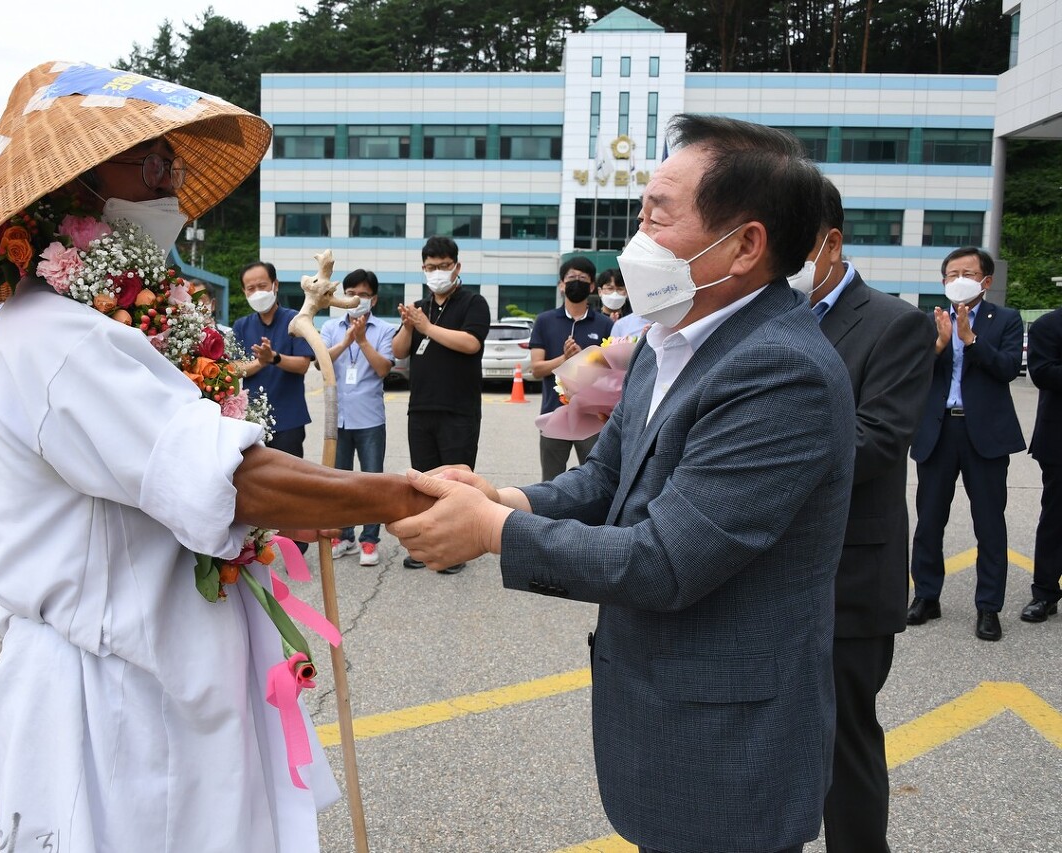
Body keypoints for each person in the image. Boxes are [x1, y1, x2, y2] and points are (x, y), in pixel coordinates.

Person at [0, 61, 429, 852]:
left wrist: (307, 506)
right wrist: (403, 497)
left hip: (170, 664)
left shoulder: (115, 321)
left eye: (172, 162)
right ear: (74, 185)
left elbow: (198, 467)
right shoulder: (57, 335)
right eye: (151, 163)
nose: (171, 184)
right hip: (113, 693)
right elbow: (230, 478)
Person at [390, 115, 855, 853]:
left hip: (727, 749)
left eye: (657, 217)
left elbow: (668, 559)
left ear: (745, 245)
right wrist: (506, 498)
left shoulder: (779, 370)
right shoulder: (666, 340)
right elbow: (609, 477)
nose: (635, 241)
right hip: (664, 715)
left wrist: (491, 531)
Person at [796, 179, 934, 853]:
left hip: (847, 575)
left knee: (843, 742)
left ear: (831, 244)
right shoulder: (764, 318)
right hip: (765, 574)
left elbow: (876, 441)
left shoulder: (894, 323)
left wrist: (758, 445)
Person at [907, 247, 1026, 642]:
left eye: (968, 273)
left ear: (985, 281)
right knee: (929, 521)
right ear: (943, 281)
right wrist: (940, 345)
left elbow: (1008, 368)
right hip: (938, 431)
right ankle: (926, 596)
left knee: (989, 524)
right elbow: (911, 374)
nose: (959, 279)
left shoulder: (1005, 320)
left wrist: (971, 340)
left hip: (985, 434)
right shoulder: (929, 321)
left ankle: (988, 606)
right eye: (952, 273)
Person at [392, 235, 490, 574]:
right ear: (423, 268)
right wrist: (410, 327)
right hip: (421, 408)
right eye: (431, 267)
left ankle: (456, 550)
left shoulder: (473, 302)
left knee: (455, 481)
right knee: (424, 481)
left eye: (444, 266)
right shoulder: (420, 307)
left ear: (457, 267)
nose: (437, 272)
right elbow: (399, 351)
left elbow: (471, 343)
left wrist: (427, 327)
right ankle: (425, 547)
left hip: (458, 409)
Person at [321, 269, 396, 567]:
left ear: (373, 299)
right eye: (351, 293)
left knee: (371, 482)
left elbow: (383, 369)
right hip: (337, 418)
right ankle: (344, 536)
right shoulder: (330, 327)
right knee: (340, 483)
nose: (356, 299)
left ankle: (370, 539)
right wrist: (345, 342)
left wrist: (362, 341)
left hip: (370, 419)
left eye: (363, 294)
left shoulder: (385, 330)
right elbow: (320, 363)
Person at [529, 258, 613, 481]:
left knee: (596, 481)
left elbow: (612, 373)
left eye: (583, 278)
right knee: (550, 481)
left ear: (592, 286)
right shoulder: (544, 321)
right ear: (561, 284)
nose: (577, 282)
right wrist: (565, 359)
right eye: (572, 278)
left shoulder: (605, 324)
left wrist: (586, 359)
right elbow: (536, 369)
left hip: (592, 418)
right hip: (553, 414)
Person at [232, 260, 314, 458]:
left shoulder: (296, 320)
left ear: (275, 285)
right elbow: (235, 369)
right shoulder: (241, 326)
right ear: (244, 291)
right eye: (251, 288)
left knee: (289, 475)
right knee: (256, 476)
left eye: (262, 286)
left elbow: (303, 364)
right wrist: (261, 362)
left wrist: (274, 358)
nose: (257, 292)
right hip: (252, 421)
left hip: (289, 419)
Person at [1019, 306, 1062, 623]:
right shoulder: (1049, 325)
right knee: (1056, 520)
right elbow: (1043, 372)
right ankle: (1045, 593)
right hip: (1059, 440)